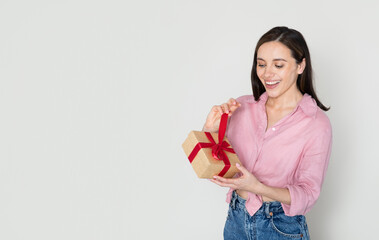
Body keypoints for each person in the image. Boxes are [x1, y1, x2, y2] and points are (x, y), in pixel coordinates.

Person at [202, 26, 332, 240]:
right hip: (236, 221)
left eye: (278, 65)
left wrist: (257, 187)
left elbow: (308, 194)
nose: (267, 73)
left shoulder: (317, 124)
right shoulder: (241, 107)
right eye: (261, 64)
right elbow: (213, 169)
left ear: (301, 66)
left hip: (280, 227)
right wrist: (211, 130)